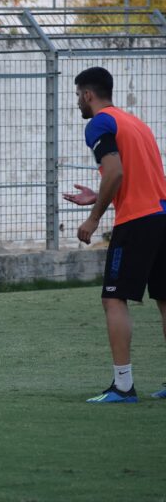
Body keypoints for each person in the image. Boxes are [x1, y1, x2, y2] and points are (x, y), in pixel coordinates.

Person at [63, 66, 166, 403]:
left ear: (88, 95)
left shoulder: (99, 123)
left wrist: (93, 217)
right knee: (164, 300)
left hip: (137, 221)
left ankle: (123, 385)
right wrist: (101, 193)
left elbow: (116, 171)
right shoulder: (136, 123)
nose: (78, 102)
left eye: (78, 96)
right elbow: (133, 174)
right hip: (162, 215)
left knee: (113, 298)